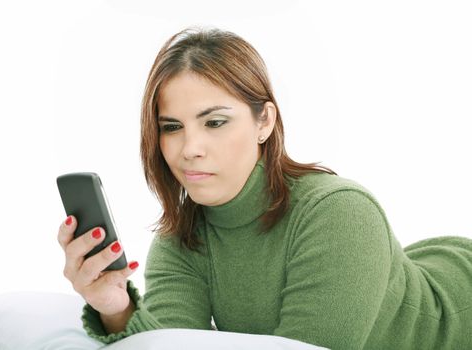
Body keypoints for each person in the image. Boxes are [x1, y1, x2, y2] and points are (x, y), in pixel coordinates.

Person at [57, 26, 472, 350]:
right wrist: (115, 307)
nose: (190, 149)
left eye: (214, 122)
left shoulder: (340, 212)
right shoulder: (181, 239)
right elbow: (170, 342)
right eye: (171, 128)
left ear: (264, 122)